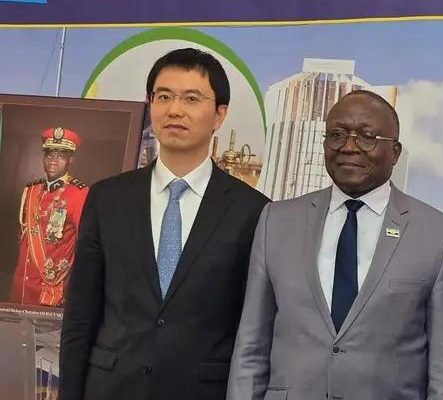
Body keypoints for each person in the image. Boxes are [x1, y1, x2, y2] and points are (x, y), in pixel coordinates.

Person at [227, 90, 443, 400]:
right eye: (337, 135)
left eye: (367, 137)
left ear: (395, 152)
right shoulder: (276, 221)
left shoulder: (439, 234)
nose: (349, 147)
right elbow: (250, 348)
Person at [59, 48, 270, 400]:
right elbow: (80, 315)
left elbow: (254, 331)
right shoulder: (108, 198)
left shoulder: (253, 211)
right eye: (164, 96)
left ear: (220, 114)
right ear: (150, 104)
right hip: (110, 389)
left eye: (192, 98)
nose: (175, 110)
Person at [10, 127, 88, 307]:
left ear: (71, 159)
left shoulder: (79, 193)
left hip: (51, 286)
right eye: (49, 155)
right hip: (22, 283)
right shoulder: (31, 190)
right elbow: (23, 236)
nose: (53, 161)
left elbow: (85, 244)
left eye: (60, 156)